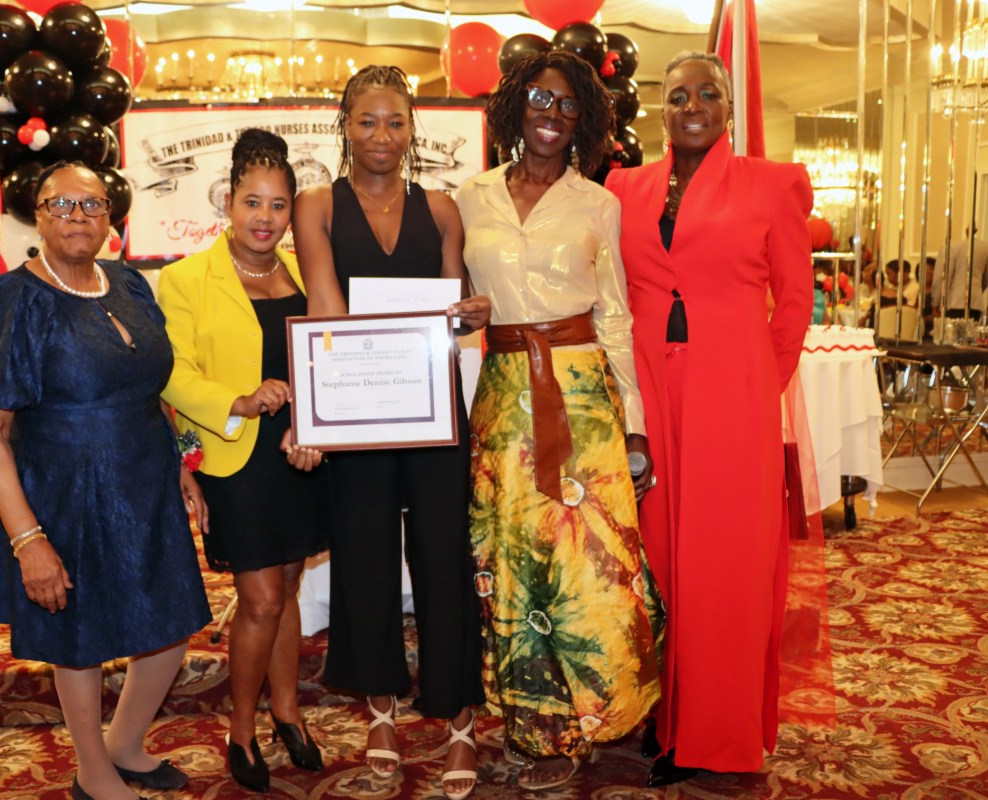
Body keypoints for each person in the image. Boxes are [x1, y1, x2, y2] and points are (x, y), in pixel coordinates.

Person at [0, 161, 213, 800]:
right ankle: (93, 773)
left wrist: (182, 465)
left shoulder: (129, 284)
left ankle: (125, 742)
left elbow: (153, 390)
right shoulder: (9, 299)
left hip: (146, 486)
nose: (77, 217)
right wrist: (27, 538)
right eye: (60, 205)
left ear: (110, 219)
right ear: (36, 216)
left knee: (170, 622)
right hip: (64, 495)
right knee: (81, 638)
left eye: (91, 206)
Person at [604, 52, 814, 787]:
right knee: (660, 560)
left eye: (708, 92)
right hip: (651, 399)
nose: (692, 104)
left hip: (734, 401)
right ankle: (668, 717)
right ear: (660, 110)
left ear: (728, 105)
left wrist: (756, 391)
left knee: (725, 568)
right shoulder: (624, 188)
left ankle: (716, 737)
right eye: (677, 94)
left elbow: (793, 307)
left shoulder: (774, 183)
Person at [455, 50, 660, 792]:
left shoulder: (598, 204)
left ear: (586, 121)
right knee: (511, 559)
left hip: (581, 398)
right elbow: (446, 304)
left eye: (568, 106)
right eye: (540, 99)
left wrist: (632, 421)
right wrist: (456, 321)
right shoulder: (468, 196)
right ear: (516, 106)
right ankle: (531, 724)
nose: (552, 115)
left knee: (589, 565)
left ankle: (596, 717)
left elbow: (615, 315)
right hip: (505, 394)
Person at [292, 64, 490, 800]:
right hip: (357, 408)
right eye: (368, 121)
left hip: (433, 407)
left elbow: (453, 301)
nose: (382, 135)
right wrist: (329, 406)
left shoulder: (440, 209)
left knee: (444, 558)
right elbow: (322, 301)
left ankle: (458, 716)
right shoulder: (315, 205)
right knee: (366, 556)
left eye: (396, 122)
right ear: (344, 126)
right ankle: (381, 710)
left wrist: (470, 313)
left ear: (413, 130)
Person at [157, 129, 329, 794]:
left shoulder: (306, 271)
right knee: (258, 600)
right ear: (228, 202)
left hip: (303, 453)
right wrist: (241, 399)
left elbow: (331, 353)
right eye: (252, 202)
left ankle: (287, 711)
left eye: (279, 205)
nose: (265, 218)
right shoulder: (184, 279)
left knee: (285, 591)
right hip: (238, 454)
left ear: (292, 211)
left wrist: (320, 424)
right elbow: (172, 373)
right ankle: (242, 727)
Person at [934, 226, 988, 320]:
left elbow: (944, 277)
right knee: (971, 332)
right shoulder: (987, 249)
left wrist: (936, 302)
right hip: (976, 301)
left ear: (966, 232)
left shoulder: (953, 248)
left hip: (954, 300)